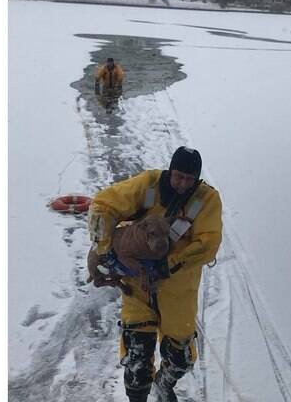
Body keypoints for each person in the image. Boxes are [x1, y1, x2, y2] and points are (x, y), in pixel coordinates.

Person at [87, 147, 223, 402]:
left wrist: (168, 264)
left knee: (180, 359)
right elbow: (103, 205)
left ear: (197, 179)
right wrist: (104, 248)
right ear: (170, 171)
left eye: (189, 179)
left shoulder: (206, 201)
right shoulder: (148, 185)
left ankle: (163, 386)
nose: (182, 184)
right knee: (137, 360)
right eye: (178, 176)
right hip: (137, 288)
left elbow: (208, 243)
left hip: (179, 292)